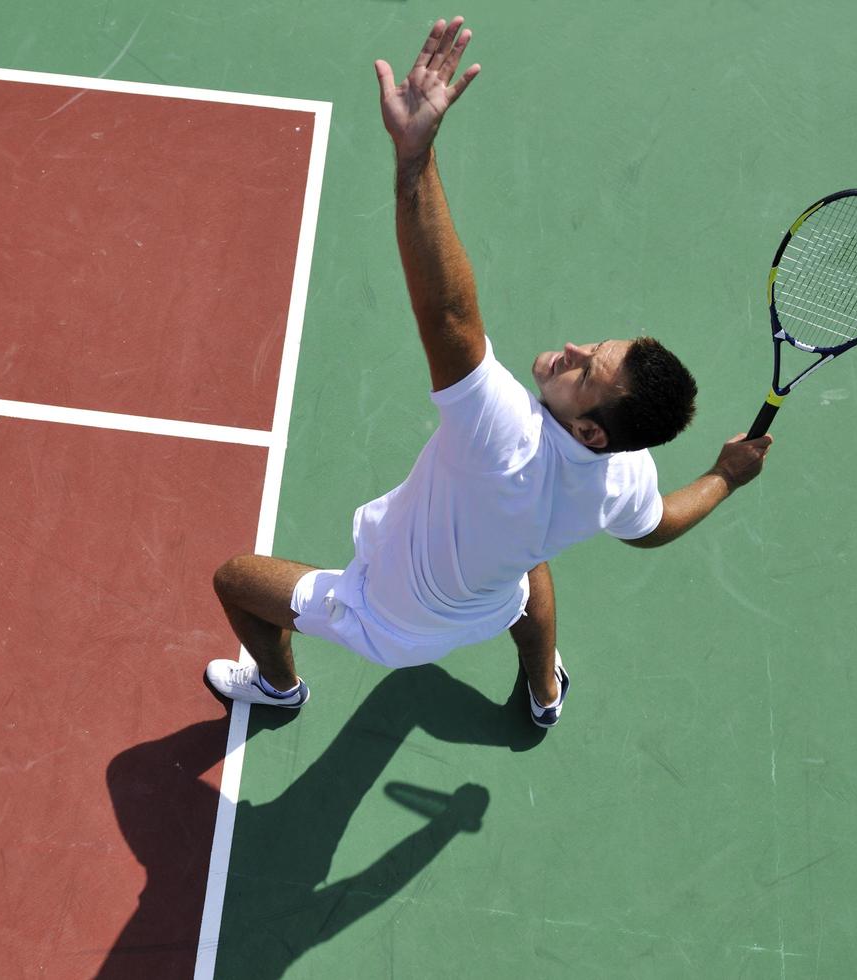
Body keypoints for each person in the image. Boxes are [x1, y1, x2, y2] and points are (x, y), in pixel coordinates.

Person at [204, 16, 772, 728]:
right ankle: (543, 693)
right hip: (487, 601)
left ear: (592, 430)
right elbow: (656, 527)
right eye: (596, 344)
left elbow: (447, 314)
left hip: (388, 618)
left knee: (234, 579)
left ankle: (279, 687)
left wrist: (414, 159)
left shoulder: (500, 434)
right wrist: (725, 476)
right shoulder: (623, 475)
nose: (569, 348)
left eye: (584, 367)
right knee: (530, 570)